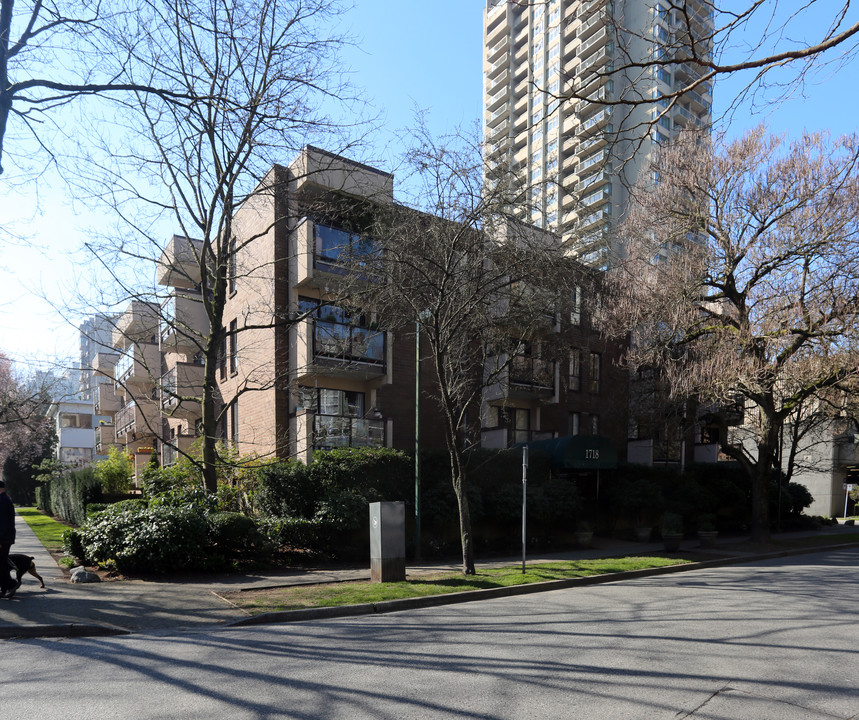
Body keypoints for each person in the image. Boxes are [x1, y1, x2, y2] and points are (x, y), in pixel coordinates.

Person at [0, 481, 17, 599]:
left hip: (3, 539)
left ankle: (10, 585)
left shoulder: (2, 501)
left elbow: (3, 523)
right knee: (2, 563)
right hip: (6, 537)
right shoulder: (5, 499)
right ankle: (5, 588)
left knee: (1, 564)